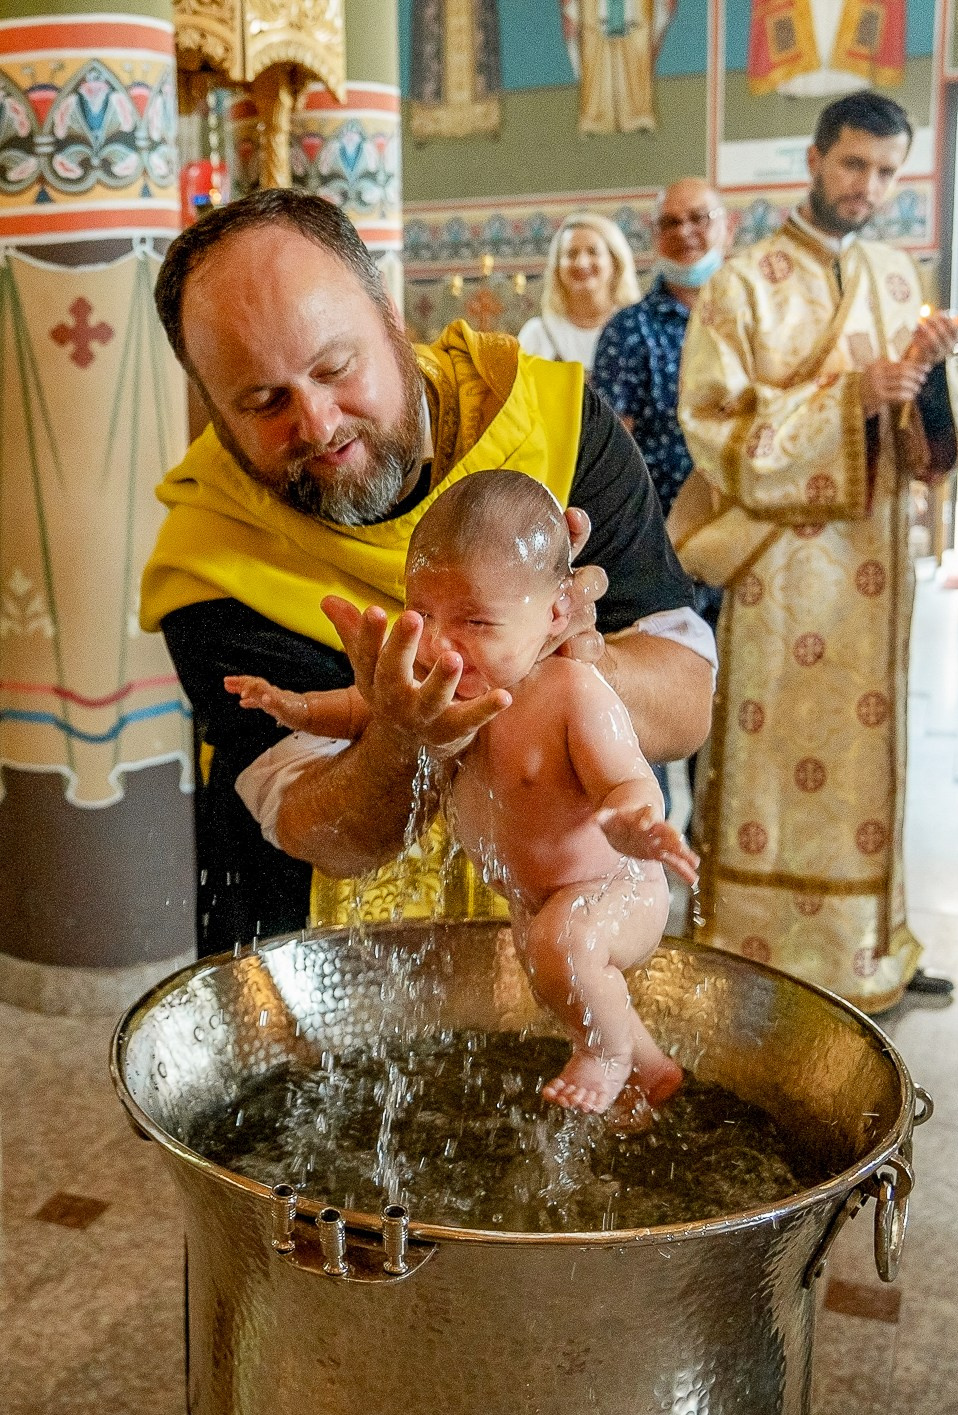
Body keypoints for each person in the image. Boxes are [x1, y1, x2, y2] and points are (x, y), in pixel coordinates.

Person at [140, 190, 716, 956]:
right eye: (264, 400)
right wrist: (404, 737)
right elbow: (319, 830)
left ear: (391, 318)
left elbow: (685, 709)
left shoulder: (554, 432)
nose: (318, 425)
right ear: (211, 407)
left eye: (336, 367)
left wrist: (588, 660)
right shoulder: (213, 553)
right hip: (316, 955)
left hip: (568, 923)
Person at [228, 473, 698, 1114]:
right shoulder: (436, 683)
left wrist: (633, 823)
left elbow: (625, 778)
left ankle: (607, 1055)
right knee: (551, 965)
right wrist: (291, 706)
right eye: (425, 617)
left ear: (556, 614)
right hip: (541, 898)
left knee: (566, 949)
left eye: (476, 620)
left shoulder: (571, 692)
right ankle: (650, 1067)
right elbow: (356, 708)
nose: (444, 645)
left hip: (616, 885)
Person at [677, 90, 958, 1013]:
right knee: (774, 760)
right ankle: (753, 946)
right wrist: (854, 399)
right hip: (781, 570)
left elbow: (939, 436)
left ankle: (867, 947)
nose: (869, 187)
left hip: (872, 574)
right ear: (813, 160)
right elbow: (712, 424)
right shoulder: (745, 281)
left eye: (887, 172)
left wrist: (922, 387)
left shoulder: (894, 274)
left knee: (865, 760)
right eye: (854, 165)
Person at [592, 178, 730, 816]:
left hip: (744, 545)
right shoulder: (630, 331)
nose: (686, 233)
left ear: (725, 225)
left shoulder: (745, 316)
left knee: (731, 718)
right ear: (655, 236)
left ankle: (721, 860)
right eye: (670, 223)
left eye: (699, 218)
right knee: (648, 710)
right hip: (656, 551)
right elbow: (613, 448)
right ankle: (650, 845)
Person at [517, 213, 640, 372]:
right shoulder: (537, 335)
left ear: (615, 262)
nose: (581, 263)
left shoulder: (636, 331)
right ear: (557, 268)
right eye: (571, 254)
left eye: (593, 252)